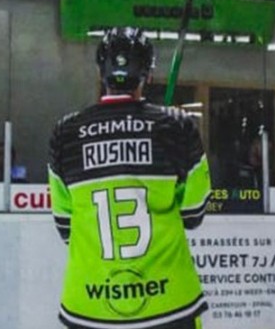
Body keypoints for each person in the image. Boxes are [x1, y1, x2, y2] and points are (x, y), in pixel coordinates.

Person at [48, 27, 211, 329]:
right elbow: (193, 214)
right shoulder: (177, 126)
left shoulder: (65, 134)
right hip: (170, 305)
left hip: (90, 308)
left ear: (101, 73)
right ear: (149, 74)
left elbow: (65, 227)